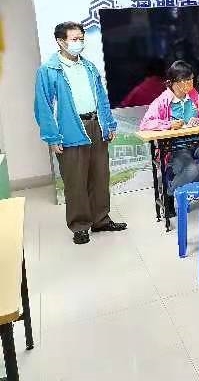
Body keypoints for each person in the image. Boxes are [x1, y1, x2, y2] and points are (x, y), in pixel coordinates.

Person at [34, 22, 127, 245]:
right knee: (75, 181)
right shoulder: (49, 71)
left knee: (100, 176)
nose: (79, 43)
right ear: (60, 41)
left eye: (81, 39)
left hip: (96, 125)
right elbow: (43, 107)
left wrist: (109, 124)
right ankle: (80, 226)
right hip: (70, 130)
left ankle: (101, 220)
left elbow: (102, 98)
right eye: (74, 39)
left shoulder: (89, 67)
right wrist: (52, 137)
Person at [139, 60, 199, 216]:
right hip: (177, 148)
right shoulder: (163, 101)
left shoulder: (194, 95)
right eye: (186, 80)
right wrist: (169, 124)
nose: (190, 83)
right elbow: (145, 124)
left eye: (191, 79)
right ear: (174, 82)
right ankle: (168, 196)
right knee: (191, 169)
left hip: (198, 144)